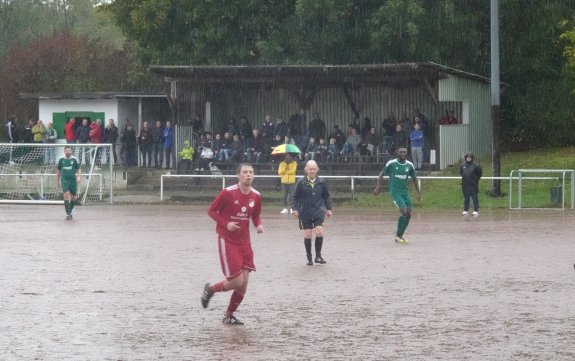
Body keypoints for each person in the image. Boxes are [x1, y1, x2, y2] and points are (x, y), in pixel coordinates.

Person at [201, 163, 264, 326]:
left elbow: (256, 216)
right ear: (238, 175)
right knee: (237, 281)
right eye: (245, 172)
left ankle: (229, 315)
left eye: (251, 172)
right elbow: (211, 211)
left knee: (244, 284)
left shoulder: (256, 196)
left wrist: (258, 225)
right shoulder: (228, 193)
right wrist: (226, 224)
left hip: (245, 242)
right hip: (228, 240)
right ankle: (210, 289)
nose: (248, 175)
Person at [373, 147, 421, 244]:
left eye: (405, 152)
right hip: (395, 192)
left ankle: (400, 236)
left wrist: (418, 193)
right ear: (397, 153)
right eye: (401, 152)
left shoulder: (409, 165)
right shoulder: (392, 163)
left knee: (409, 214)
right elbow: (381, 174)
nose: (403, 153)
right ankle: (398, 236)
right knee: (404, 211)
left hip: (405, 193)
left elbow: (414, 179)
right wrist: (378, 187)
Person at [291, 160, 333, 265]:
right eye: (310, 169)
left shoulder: (321, 182)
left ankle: (318, 256)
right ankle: (309, 258)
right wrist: (294, 209)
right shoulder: (301, 182)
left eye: (314, 169)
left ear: (317, 170)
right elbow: (295, 197)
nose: (312, 171)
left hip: (318, 211)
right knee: (308, 235)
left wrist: (329, 209)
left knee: (319, 232)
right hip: (305, 212)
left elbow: (326, 196)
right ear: (306, 170)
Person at [56, 145, 81, 220]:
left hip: (73, 180)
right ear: (64, 151)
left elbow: (79, 168)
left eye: (69, 150)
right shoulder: (61, 159)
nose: (68, 152)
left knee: (74, 198)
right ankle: (68, 214)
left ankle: (69, 211)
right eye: (66, 150)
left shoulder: (74, 159)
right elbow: (58, 170)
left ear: (71, 151)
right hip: (64, 179)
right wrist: (57, 181)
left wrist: (79, 176)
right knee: (66, 194)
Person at [460, 152, 483, 216]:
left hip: (473, 184)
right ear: (466, 158)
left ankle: (476, 210)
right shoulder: (462, 165)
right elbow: (462, 173)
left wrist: (475, 180)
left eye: (470, 157)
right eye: (467, 157)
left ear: (472, 158)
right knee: (466, 198)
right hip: (465, 184)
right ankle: (465, 210)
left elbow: (479, 174)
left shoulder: (476, 165)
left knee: (474, 197)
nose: (468, 158)